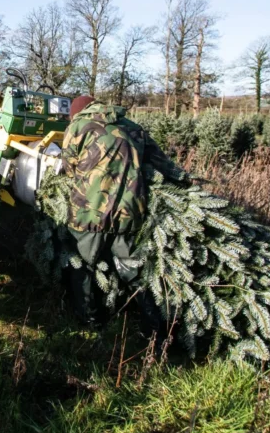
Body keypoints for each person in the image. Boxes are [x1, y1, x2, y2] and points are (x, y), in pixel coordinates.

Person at [58, 95, 187, 325]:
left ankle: (90, 321)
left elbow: (69, 168)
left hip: (88, 213)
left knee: (82, 266)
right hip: (128, 212)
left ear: (78, 112)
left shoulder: (77, 127)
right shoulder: (133, 127)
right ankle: (156, 324)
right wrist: (185, 181)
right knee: (132, 269)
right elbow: (161, 162)